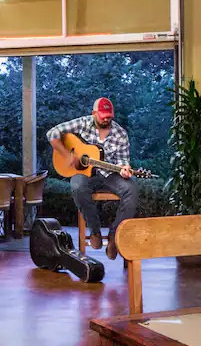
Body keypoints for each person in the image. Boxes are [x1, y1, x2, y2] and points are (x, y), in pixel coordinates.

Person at [46, 97, 136, 260]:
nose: (106, 119)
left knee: (131, 189)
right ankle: (95, 231)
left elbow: (123, 161)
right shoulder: (83, 123)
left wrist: (124, 169)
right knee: (77, 186)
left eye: (109, 116)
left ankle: (115, 237)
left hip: (110, 174)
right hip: (85, 175)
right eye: (103, 116)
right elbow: (52, 133)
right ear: (94, 113)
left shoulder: (120, 133)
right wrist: (67, 155)